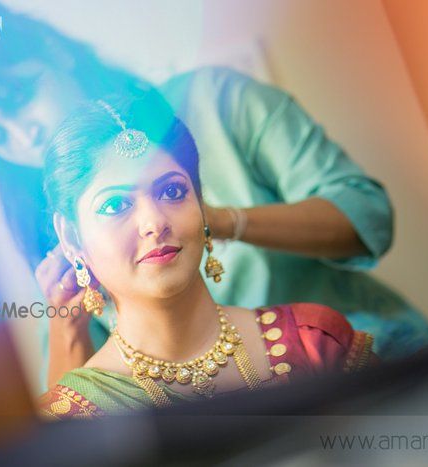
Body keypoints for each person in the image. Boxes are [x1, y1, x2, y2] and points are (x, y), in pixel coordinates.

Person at [0, 2, 428, 392]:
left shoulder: (216, 101)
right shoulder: (64, 226)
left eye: (19, 98)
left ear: (56, 52)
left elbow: (366, 216)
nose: (25, 137)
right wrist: (66, 324)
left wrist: (216, 220)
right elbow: (78, 422)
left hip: (375, 367)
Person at [37, 92, 376, 417]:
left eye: (172, 191)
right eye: (115, 204)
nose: (154, 222)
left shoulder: (313, 340)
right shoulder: (77, 414)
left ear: (200, 205)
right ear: (71, 237)